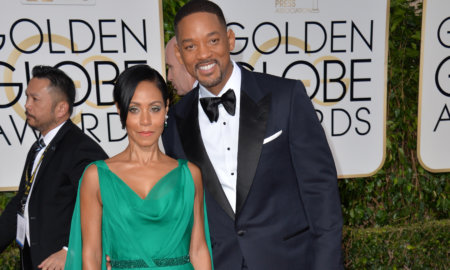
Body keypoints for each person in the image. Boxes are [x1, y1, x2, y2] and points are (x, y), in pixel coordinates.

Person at [162, 1, 344, 269]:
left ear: (230, 39)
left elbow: (321, 193)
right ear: (179, 53)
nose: (203, 55)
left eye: (212, 40)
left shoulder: (286, 97)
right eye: (190, 46)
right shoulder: (174, 124)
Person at [64, 64, 212, 270]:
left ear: (166, 108)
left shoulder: (190, 174)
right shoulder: (96, 176)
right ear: (120, 110)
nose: (145, 121)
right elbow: (91, 254)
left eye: (154, 108)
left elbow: (198, 249)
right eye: (134, 109)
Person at [0, 65, 108, 270]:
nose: (26, 105)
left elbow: (105, 204)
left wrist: (71, 250)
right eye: (27, 97)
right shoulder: (38, 147)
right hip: (36, 261)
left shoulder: (81, 149)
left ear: (61, 109)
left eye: (35, 99)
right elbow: (21, 202)